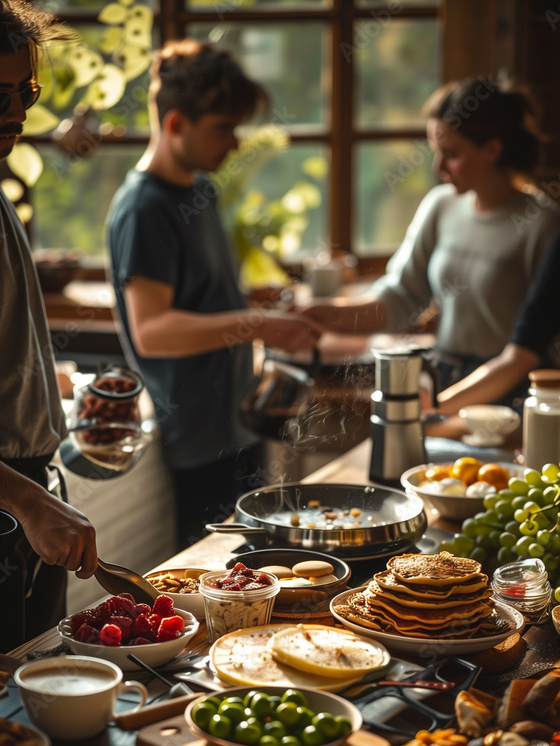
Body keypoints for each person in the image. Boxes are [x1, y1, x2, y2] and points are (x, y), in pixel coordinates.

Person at [107, 39, 323, 548]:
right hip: (198, 443)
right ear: (177, 124)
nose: (235, 142)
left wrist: (270, 317)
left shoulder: (200, 191)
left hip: (238, 426)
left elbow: (212, 304)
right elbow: (153, 331)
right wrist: (259, 323)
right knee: (218, 586)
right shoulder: (144, 208)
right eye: (223, 127)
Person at [303, 77, 560, 405]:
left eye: (451, 154)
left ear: (492, 150)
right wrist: (326, 315)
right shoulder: (441, 206)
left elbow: (530, 347)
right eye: (436, 152)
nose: (438, 167)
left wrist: (436, 411)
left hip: (509, 392)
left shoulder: (542, 225)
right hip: (445, 378)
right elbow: (400, 298)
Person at [0, 0, 97, 653]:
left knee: (33, 700)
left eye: (25, 92)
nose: (18, 112)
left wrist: (47, 389)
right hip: (11, 505)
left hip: (25, 494)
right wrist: (28, 503)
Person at [432, 226, 560, 417]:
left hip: (512, 388)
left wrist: (432, 409)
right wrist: (432, 408)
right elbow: (529, 340)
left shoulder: (541, 224)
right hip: (451, 374)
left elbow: (522, 356)